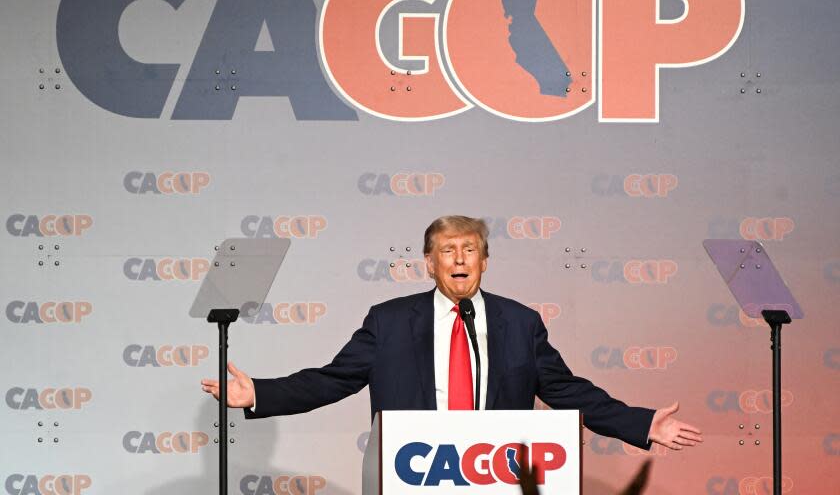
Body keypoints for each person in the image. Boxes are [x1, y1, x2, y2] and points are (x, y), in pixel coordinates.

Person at [202, 215, 702, 451]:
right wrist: (258, 394)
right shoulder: (390, 320)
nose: (459, 259)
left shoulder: (520, 322)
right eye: (447, 250)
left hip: (498, 472)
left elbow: (565, 390)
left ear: (484, 261)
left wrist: (640, 424)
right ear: (428, 263)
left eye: (469, 250)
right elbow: (334, 380)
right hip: (414, 473)